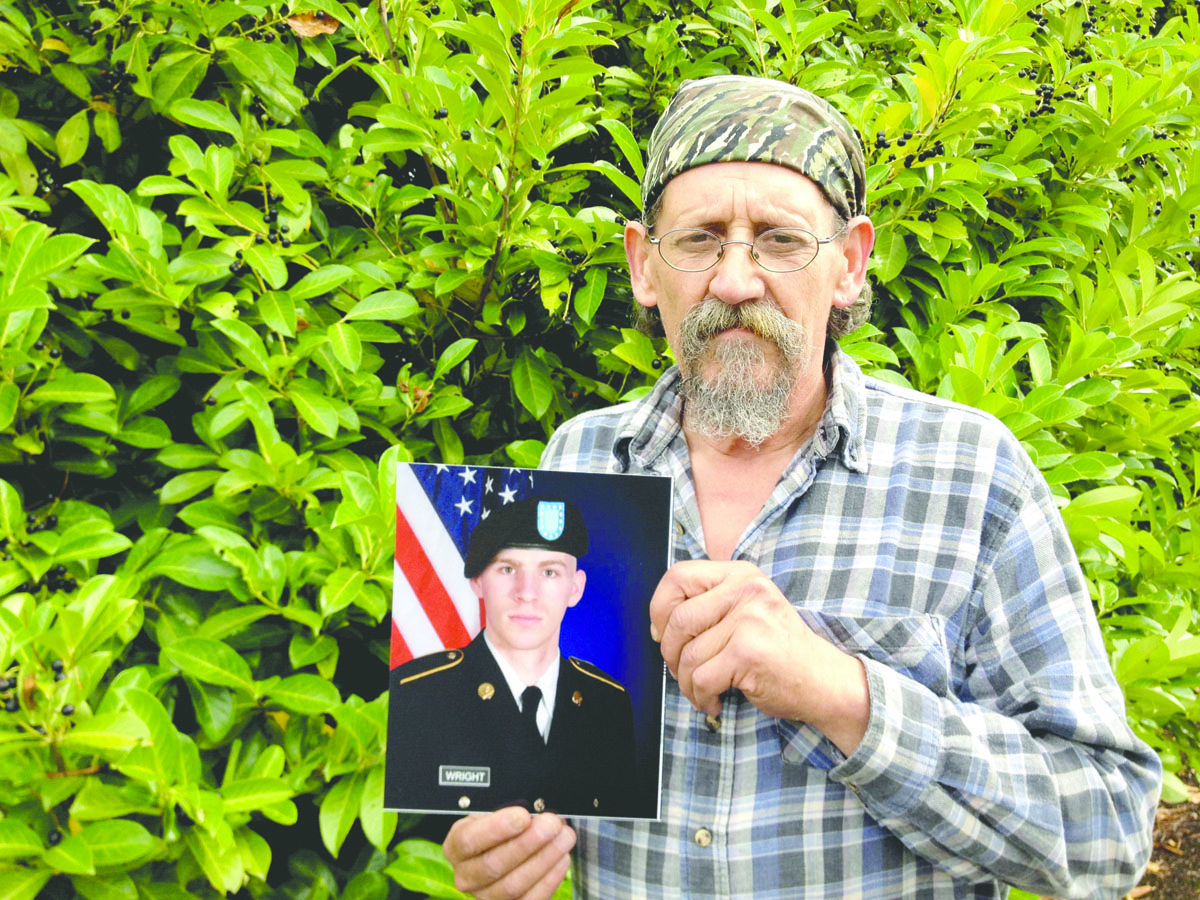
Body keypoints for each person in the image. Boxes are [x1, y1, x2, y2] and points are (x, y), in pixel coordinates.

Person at [442, 75, 1161, 899]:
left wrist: (839, 693)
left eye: (780, 240)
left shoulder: (972, 475)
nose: (736, 281)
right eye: (700, 239)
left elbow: (1109, 830)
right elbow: (527, 759)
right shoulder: (581, 461)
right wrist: (500, 845)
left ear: (849, 264)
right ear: (643, 265)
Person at [386, 495, 638, 818]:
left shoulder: (609, 704)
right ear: (477, 581)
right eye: (507, 569)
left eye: (550, 572)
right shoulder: (415, 696)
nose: (527, 593)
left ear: (575, 588)